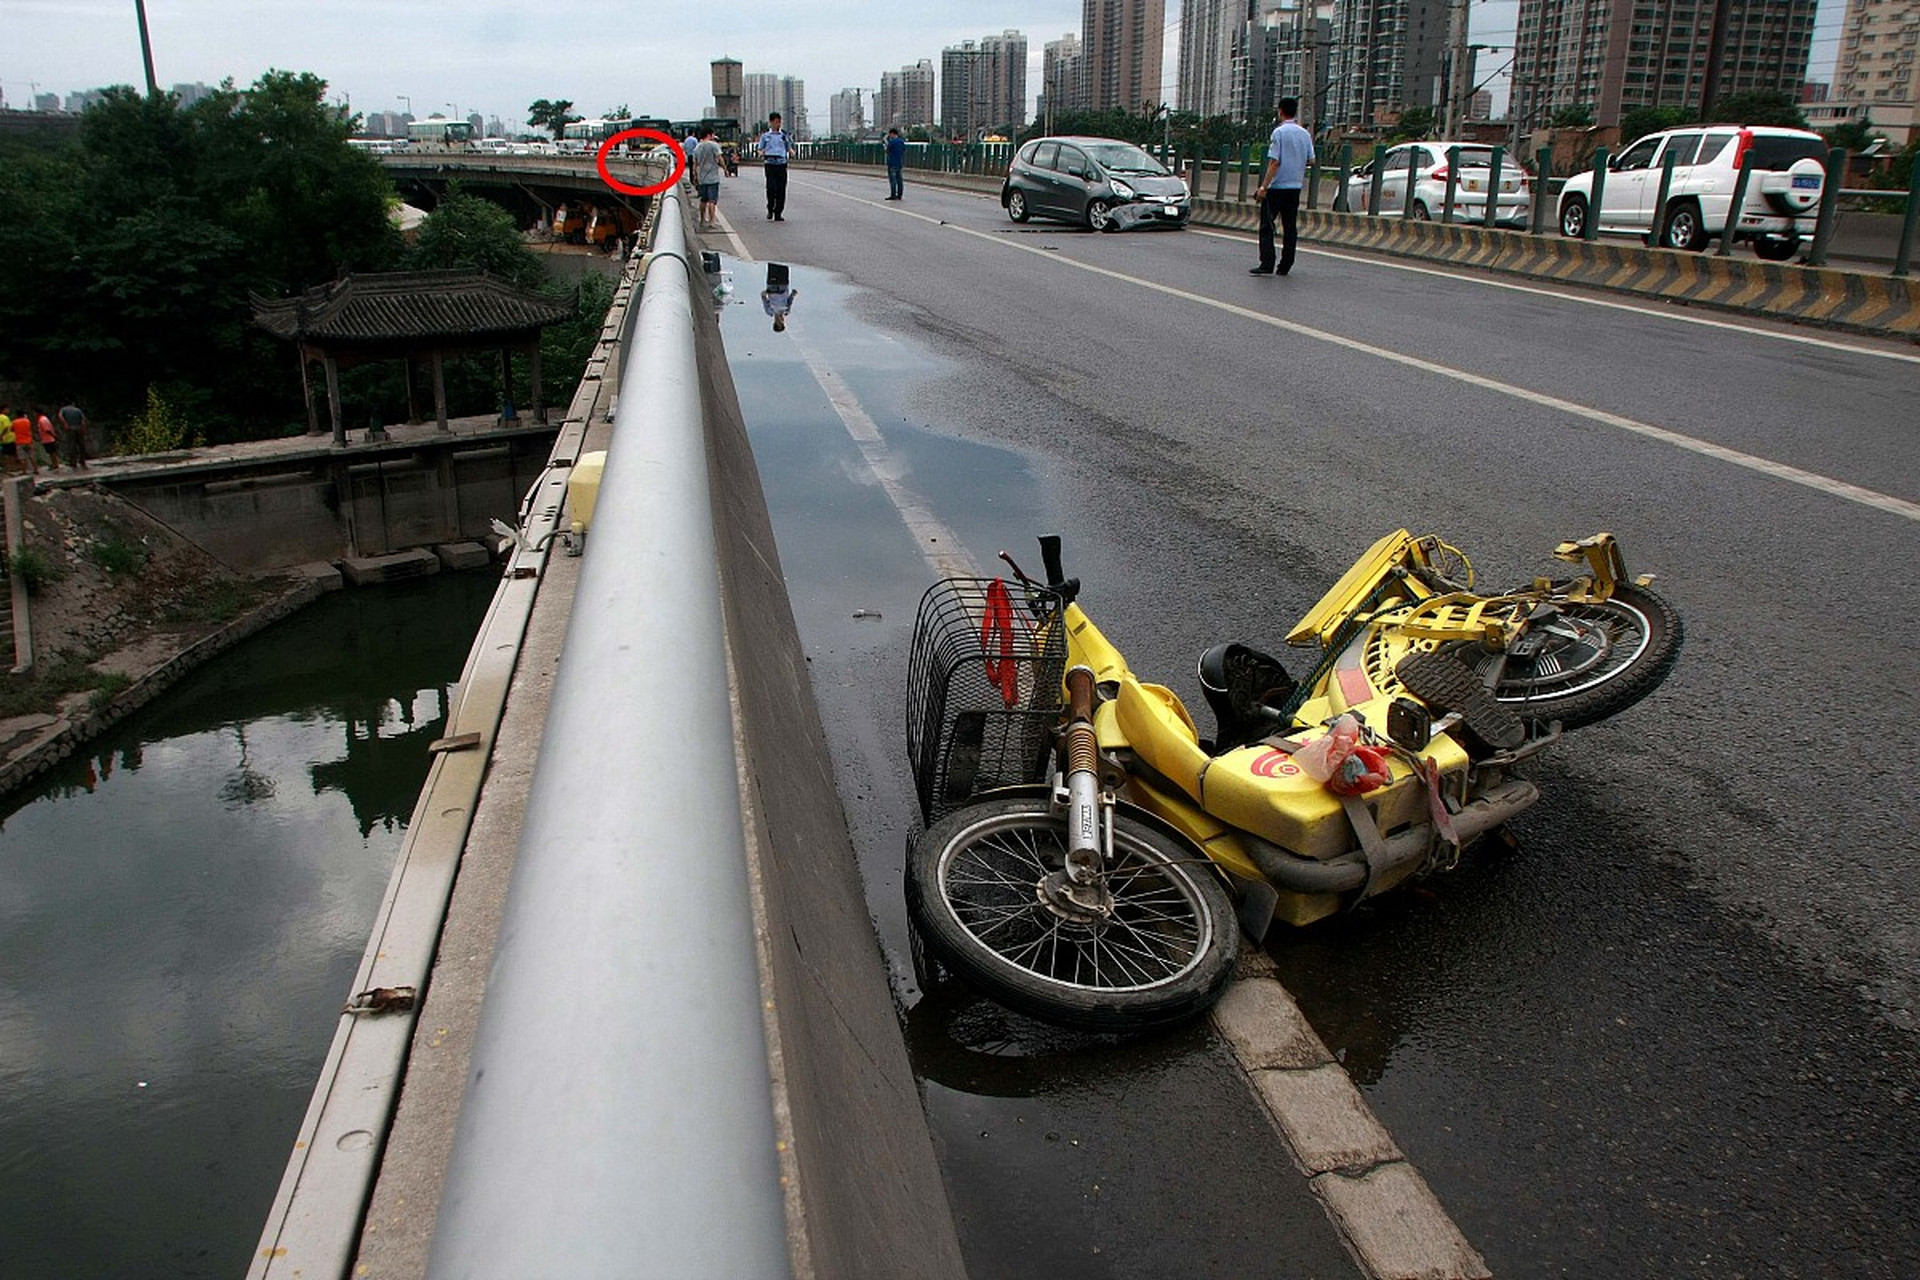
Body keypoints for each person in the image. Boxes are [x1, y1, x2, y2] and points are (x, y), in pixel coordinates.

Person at [1251, 97, 1314, 277]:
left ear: (1280, 111)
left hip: (1277, 187)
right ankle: (1286, 265)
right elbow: (1311, 160)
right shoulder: (1305, 134)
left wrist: (1263, 187)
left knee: (1267, 225)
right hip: (1295, 187)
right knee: (1290, 226)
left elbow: (1274, 162)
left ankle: (1267, 263)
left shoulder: (1279, 133)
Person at [759, 112, 791, 221]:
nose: (778, 124)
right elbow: (760, 148)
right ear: (771, 122)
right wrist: (761, 152)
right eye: (776, 122)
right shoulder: (765, 136)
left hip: (781, 164)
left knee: (781, 190)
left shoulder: (784, 135)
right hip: (770, 164)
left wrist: (791, 151)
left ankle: (778, 213)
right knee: (771, 188)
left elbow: (788, 147)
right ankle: (770, 208)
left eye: (779, 122)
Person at [691, 126, 724, 229]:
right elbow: (720, 158)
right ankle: (711, 221)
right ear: (709, 135)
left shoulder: (697, 147)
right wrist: (725, 169)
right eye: (712, 134)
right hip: (713, 178)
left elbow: (695, 164)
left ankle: (702, 220)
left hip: (702, 178)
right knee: (712, 201)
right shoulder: (714, 145)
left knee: (703, 200)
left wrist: (695, 175)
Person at [761, 262, 796, 333]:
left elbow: (764, 299)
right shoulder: (786, 311)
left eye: (780, 323)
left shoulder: (770, 311)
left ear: (775, 322)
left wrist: (764, 294)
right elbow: (789, 301)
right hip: (783, 286)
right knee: (784, 266)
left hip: (772, 286)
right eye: (782, 323)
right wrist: (793, 294)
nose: (782, 321)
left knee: (772, 265)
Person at [58, 402, 90, 470]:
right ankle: (82, 461)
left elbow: (60, 416)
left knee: (72, 446)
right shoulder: (78, 410)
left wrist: (65, 424)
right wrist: (83, 428)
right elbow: (83, 419)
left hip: (70, 429)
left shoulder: (63, 409)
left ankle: (73, 462)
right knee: (81, 445)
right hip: (79, 428)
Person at [11, 408, 36, 476]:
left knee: (22, 457)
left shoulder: (14, 422)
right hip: (28, 441)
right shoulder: (27, 421)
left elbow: (12, 429)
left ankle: (24, 471)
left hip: (20, 441)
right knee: (31, 456)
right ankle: (35, 469)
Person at [885, 127, 906, 199]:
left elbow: (887, 150)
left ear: (892, 134)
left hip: (892, 163)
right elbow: (903, 150)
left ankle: (893, 195)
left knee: (893, 180)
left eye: (890, 134)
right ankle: (900, 195)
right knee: (899, 180)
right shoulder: (901, 142)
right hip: (899, 162)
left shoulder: (892, 142)